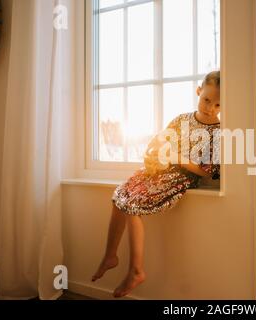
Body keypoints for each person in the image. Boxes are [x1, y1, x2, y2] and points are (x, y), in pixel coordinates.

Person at [91, 71, 221, 298]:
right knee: (120, 195)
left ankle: (136, 270)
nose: (210, 108)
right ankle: (110, 255)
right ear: (198, 92)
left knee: (133, 205)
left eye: (218, 104)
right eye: (206, 100)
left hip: (180, 176)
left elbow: (208, 170)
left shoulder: (218, 132)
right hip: (159, 170)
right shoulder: (182, 119)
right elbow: (158, 140)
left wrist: (176, 157)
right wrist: (153, 153)